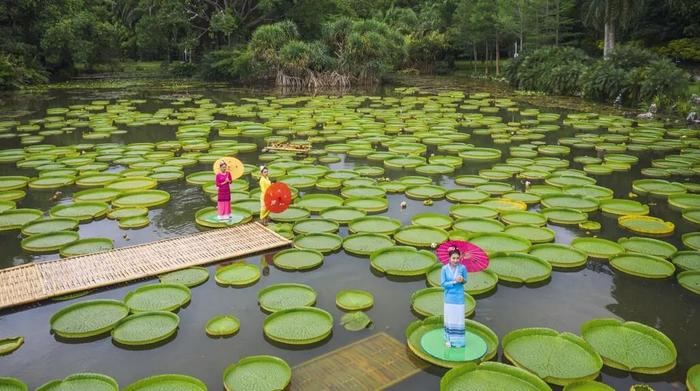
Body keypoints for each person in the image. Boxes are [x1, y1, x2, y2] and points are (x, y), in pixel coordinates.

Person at [441, 247, 468, 348]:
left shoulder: (463, 268)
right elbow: (443, 284)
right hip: (449, 297)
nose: (456, 260)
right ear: (449, 258)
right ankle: (448, 339)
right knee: (449, 318)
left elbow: (466, 281)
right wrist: (454, 281)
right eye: (453, 258)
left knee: (459, 318)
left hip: (459, 297)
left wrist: (462, 280)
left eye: (457, 258)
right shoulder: (444, 269)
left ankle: (459, 341)